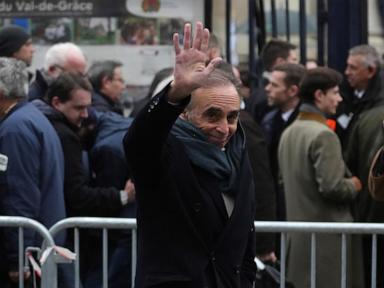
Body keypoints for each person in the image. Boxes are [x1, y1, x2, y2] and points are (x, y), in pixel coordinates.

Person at [123, 22, 256, 288]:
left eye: (232, 117)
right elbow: (139, 140)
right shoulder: (165, 152)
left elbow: (244, 241)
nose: (224, 128)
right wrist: (176, 93)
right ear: (184, 113)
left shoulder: (239, 155)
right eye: (212, 115)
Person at [33, 72, 134, 287]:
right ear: (57, 102)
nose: (86, 115)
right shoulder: (65, 136)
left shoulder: (42, 121)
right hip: (60, 234)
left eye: (88, 107)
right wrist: (122, 196)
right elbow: (77, 194)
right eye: (79, 108)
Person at [278, 67, 362, 288]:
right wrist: (355, 184)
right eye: (334, 92)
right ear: (319, 95)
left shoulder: (289, 132)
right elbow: (333, 187)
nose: (339, 98)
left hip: (299, 244)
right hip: (327, 245)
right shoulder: (324, 134)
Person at [0, 58, 66, 286]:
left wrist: (18, 259)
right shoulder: (31, 118)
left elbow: (19, 195)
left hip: (31, 252)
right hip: (42, 245)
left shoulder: (14, 130)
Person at [342, 44, 384, 287]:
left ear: (370, 70)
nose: (346, 72)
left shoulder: (371, 113)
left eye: (352, 67)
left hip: (371, 208)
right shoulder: (356, 103)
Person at [261, 63, 306, 221]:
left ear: (293, 91)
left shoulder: (305, 123)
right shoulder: (269, 120)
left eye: (274, 85)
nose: (267, 88)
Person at [245, 39, 298, 123]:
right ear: (280, 62)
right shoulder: (272, 99)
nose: (297, 64)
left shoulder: (256, 93)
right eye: (294, 60)